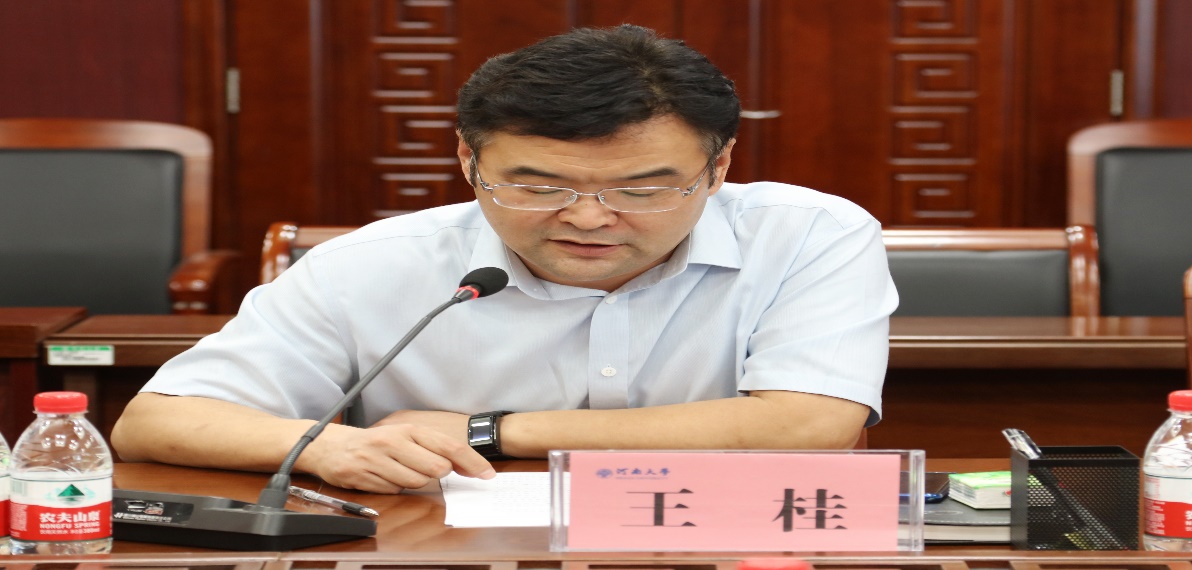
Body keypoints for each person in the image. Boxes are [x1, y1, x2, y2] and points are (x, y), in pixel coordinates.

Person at [112, 25, 898, 494]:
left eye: (642, 189)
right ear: (468, 161)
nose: (588, 217)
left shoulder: (808, 235)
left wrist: (486, 431)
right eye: (538, 185)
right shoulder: (374, 265)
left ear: (718, 168)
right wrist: (335, 445)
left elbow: (808, 422)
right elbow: (156, 422)